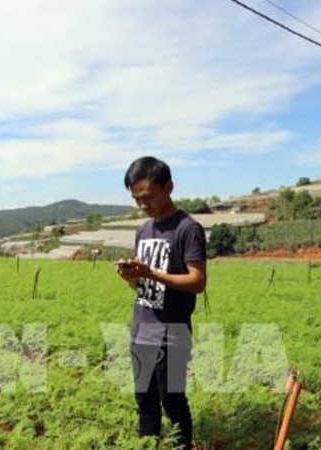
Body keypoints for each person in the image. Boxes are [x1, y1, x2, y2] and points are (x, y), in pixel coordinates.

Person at [115, 156, 207, 450]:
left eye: (148, 197)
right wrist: (131, 276)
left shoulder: (188, 229)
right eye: (137, 199)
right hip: (142, 327)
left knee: (173, 400)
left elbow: (198, 280)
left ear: (168, 187)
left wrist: (151, 272)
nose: (143, 204)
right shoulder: (143, 231)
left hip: (174, 332)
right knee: (144, 399)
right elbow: (141, 285)